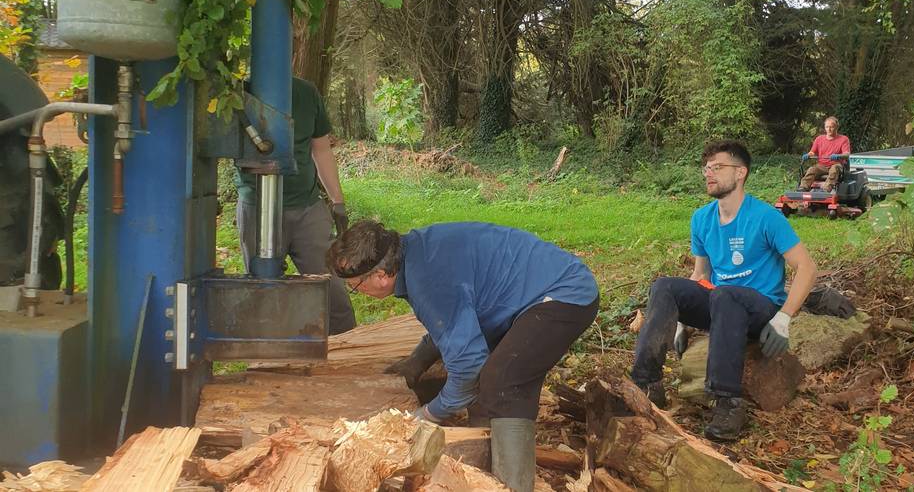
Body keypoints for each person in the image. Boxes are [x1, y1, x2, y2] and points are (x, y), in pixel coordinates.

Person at [327, 221, 599, 492]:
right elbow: (451, 317)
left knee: (503, 380)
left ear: (382, 275)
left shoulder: (428, 278)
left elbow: (469, 366)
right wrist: (418, 360)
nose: (357, 291)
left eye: (355, 285)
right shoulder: (413, 254)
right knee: (484, 383)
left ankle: (512, 486)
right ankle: (481, 472)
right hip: (524, 294)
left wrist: (429, 414)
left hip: (564, 293)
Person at [631, 140, 816, 442]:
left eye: (717, 167)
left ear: (740, 172)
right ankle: (646, 384)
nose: (709, 173)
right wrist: (680, 321)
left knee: (725, 293)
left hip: (760, 309)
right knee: (665, 286)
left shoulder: (766, 217)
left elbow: (807, 268)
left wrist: (784, 318)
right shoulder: (701, 218)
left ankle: (728, 402)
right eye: (706, 168)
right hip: (721, 304)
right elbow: (700, 275)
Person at [234, 76, 356, 333]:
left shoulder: (306, 93)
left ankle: (346, 346)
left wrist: (338, 201)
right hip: (257, 209)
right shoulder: (240, 93)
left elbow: (321, 150)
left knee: (333, 294)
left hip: (307, 209)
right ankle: (270, 353)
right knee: (264, 293)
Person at [799, 116, 851, 192]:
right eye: (827, 127)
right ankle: (803, 187)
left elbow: (847, 154)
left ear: (837, 127)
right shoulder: (819, 139)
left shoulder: (844, 139)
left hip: (836, 164)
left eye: (831, 127)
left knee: (834, 169)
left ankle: (826, 189)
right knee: (811, 169)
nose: (829, 129)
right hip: (822, 166)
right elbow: (812, 152)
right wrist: (808, 155)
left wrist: (839, 156)